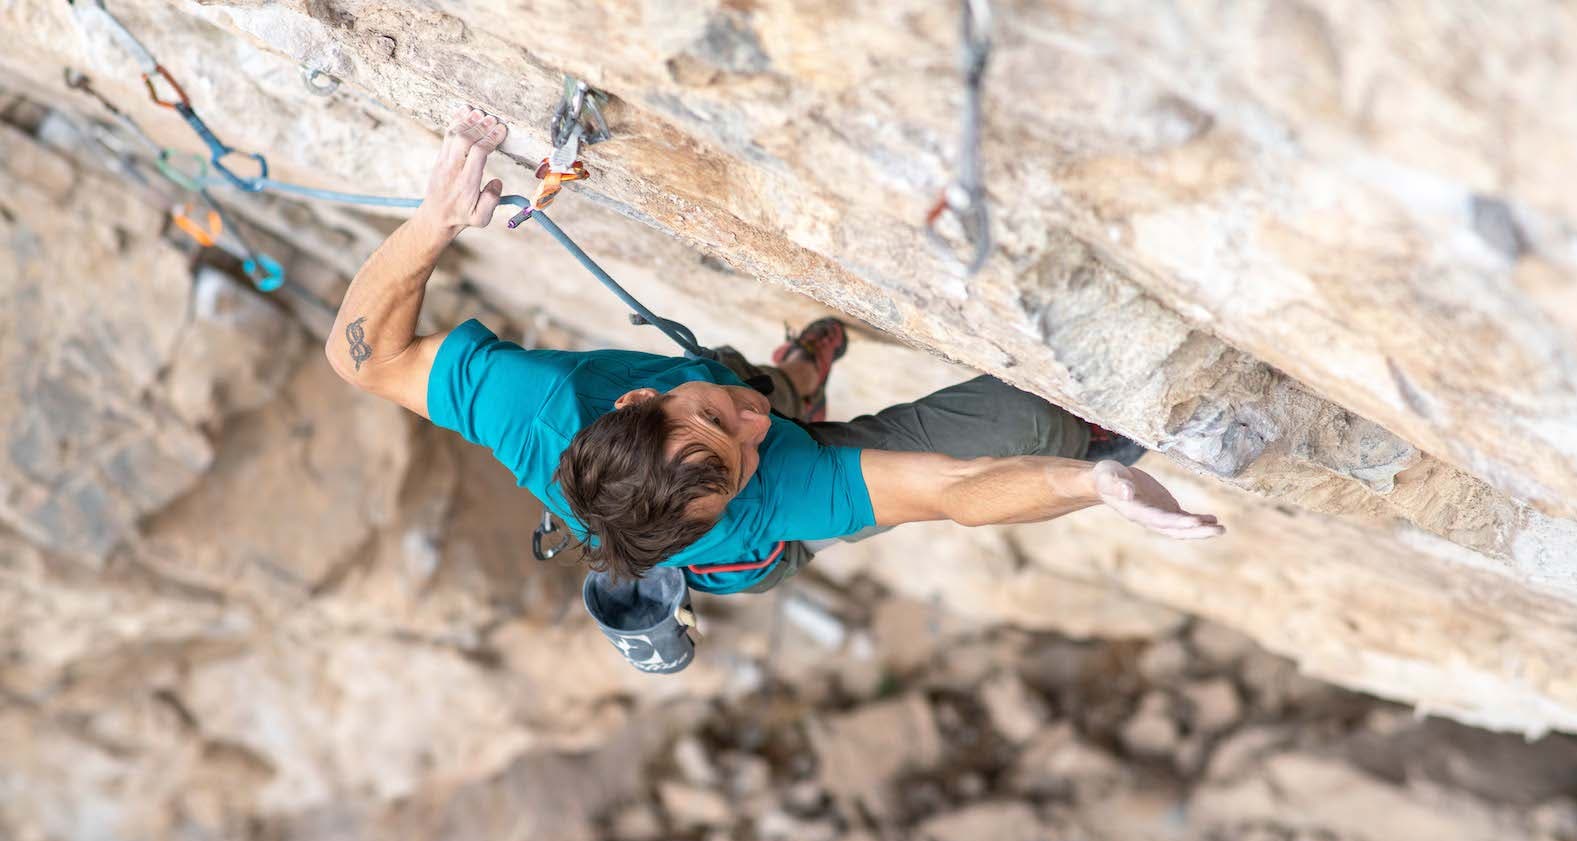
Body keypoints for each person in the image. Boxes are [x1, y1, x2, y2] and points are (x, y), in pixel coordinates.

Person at [326, 108, 1224, 596]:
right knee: (1029, 423)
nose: (749, 433)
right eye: (735, 455)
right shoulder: (765, 504)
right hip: (763, 545)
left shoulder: (529, 408)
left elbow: (362, 359)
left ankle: (800, 367)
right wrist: (1088, 487)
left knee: (762, 386)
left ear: (635, 404)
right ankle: (1091, 436)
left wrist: (432, 222)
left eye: (719, 427)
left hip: (710, 442)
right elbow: (952, 493)